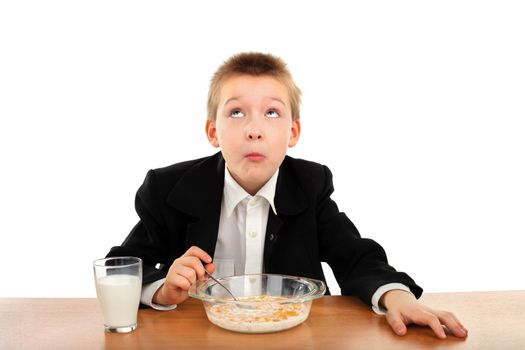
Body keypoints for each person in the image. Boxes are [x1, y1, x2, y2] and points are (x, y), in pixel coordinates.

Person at [107, 52, 468, 339]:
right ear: (212, 131)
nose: (254, 130)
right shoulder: (170, 188)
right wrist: (162, 289)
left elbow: (355, 256)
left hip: (298, 336)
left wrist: (397, 297)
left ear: (292, 132)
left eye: (272, 113)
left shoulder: (310, 185)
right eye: (236, 112)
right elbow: (122, 265)